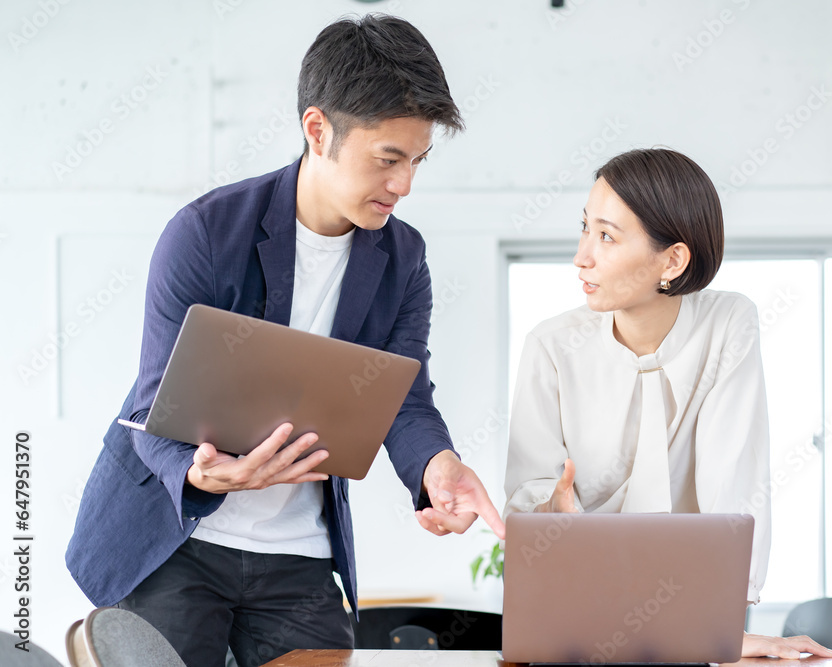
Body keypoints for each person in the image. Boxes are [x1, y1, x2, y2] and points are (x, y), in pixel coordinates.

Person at [66, 15, 504, 667]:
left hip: (299, 555)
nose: (405, 184)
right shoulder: (206, 233)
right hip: (177, 538)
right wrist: (199, 471)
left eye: (417, 161)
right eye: (388, 159)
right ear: (318, 130)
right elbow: (155, 410)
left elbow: (404, 399)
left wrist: (438, 465)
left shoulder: (404, 258)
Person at [498, 148, 832, 660]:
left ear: (673, 260)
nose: (581, 256)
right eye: (585, 228)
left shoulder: (727, 324)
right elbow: (528, 496)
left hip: (685, 610)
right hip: (578, 607)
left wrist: (725, 627)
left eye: (607, 236)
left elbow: (735, 480)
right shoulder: (551, 345)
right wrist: (551, 511)